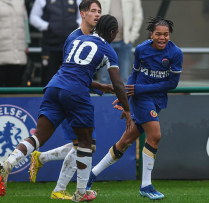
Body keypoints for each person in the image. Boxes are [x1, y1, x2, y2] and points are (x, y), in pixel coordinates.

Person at [0, 14, 134, 202]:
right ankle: (81, 193)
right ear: (112, 32)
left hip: (54, 86)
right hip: (75, 92)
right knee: (85, 144)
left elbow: (72, 70)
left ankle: (9, 162)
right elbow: (118, 84)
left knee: (38, 137)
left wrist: (99, 86)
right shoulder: (108, 49)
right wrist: (127, 109)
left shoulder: (77, 38)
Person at [86, 16, 183, 201]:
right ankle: (146, 185)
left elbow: (173, 83)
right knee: (155, 135)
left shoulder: (175, 53)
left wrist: (134, 92)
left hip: (156, 99)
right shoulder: (141, 49)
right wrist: (130, 95)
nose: (162, 38)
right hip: (141, 98)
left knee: (125, 141)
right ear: (151, 34)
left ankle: (92, 174)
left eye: (166, 35)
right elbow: (134, 75)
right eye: (158, 34)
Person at [28, 0, 104, 200]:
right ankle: (70, 190)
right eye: (93, 11)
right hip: (69, 94)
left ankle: (45, 163)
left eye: (99, 12)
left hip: (74, 91)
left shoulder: (88, 38)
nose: (96, 15)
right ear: (83, 14)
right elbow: (66, 66)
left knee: (86, 145)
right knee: (84, 145)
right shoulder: (74, 36)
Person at [29, 0, 82, 87]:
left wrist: (75, 25)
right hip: (50, 46)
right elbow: (33, 18)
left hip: (71, 47)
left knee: (71, 81)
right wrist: (47, 26)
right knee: (49, 80)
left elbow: (84, 17)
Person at [98, 0, 143, 85]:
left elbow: (138, 16)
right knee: (104, 79)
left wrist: (132, 36)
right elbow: (95, 15)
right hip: (105, 41)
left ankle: (122, 98)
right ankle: (105, 98)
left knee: (124, 79)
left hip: (125, 41)